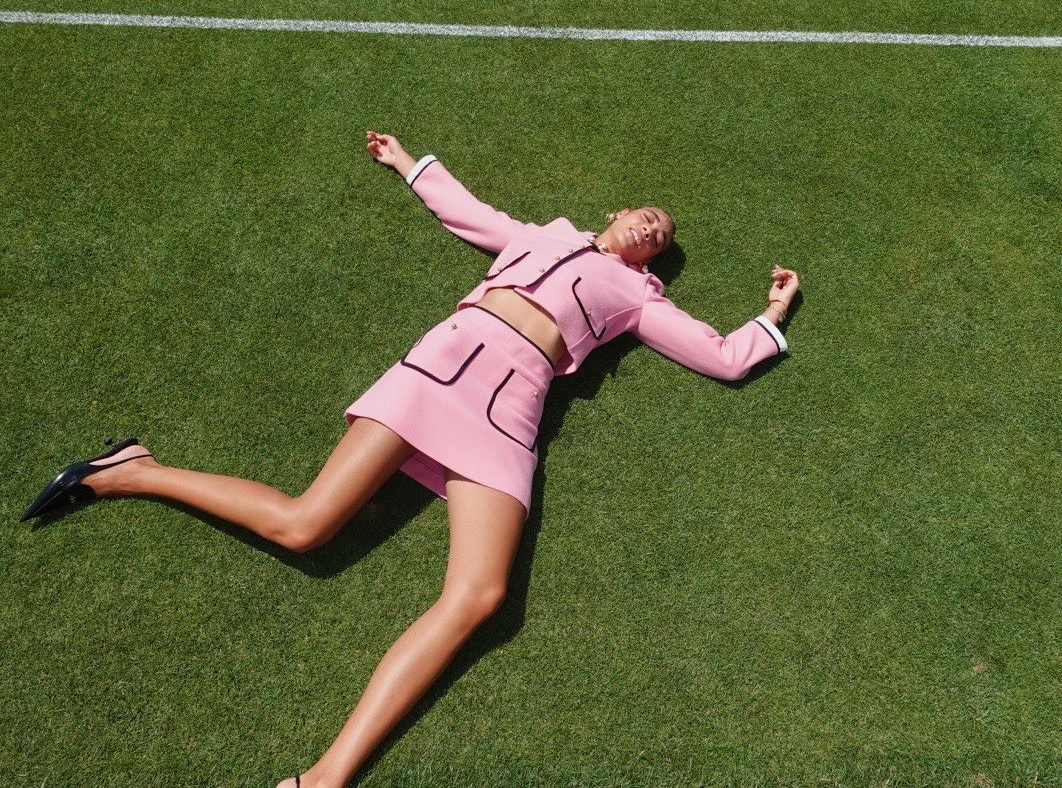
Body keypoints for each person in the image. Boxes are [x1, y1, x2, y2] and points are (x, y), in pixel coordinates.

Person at [21, 132, 800, 788]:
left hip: (511, 412)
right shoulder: (542, 235)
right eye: (647, 216)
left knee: (481, 596)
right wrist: (407, 163)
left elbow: (721, 357)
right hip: (442, 369)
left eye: (661, 237)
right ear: (615, 214)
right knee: (304, 525)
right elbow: (471, 213)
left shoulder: (638, 298)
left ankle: (324, 778)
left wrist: (773, 310)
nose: (653, 228)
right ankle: (135, 470)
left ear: (652, 260)